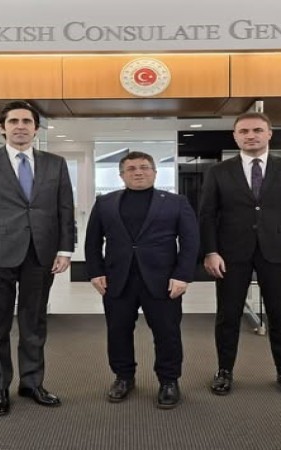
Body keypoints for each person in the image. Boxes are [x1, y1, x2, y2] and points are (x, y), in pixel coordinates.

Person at [0, 100, 75, 416]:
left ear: (36, 129)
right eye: (14, 121)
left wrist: (65, 249)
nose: (20, 127)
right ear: (2, 128)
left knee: (34, 323)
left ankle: (32, 383)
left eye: (27, 121)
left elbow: (65, 209)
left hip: (41, 253)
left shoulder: (55, 164)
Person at [199, 111, 281, 398]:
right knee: (228, 315)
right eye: (244, 131)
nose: (251, 135)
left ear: (269, 133)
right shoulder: (218, 171)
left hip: (278, 251)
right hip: (230, 253)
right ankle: (224, 371)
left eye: (257, 130)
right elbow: (207, 215)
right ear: (235, 136)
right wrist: (210, 251)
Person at [85, 151, 199, 409]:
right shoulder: (105, 203)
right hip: (117, 279)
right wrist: (95, 272)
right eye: (132, 168)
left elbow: (190, 241)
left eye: (145, 167)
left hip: (163, 280)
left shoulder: (176, 202)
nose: (138, 172)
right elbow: (92, 242)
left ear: (155, 172)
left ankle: (169, 381)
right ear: (121, 175)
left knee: (167, 332)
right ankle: (123, 377)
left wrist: (182, 275)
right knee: (118, 331)